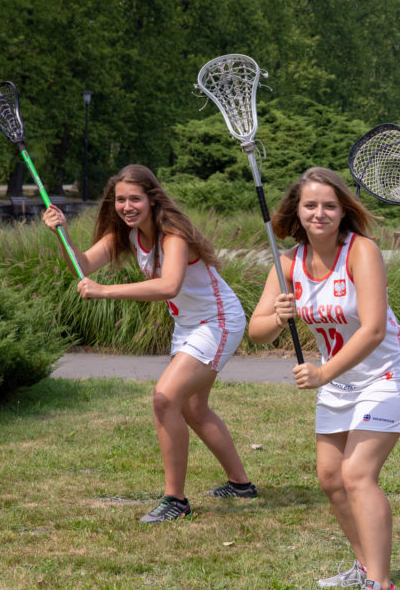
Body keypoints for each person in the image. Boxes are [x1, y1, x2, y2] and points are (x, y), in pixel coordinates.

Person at [41, 164, 256, 523]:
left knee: (164, 398)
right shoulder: (125, 234)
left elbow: (169, 285)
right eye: (121, 199)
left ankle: (176, 500)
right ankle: (241, 485)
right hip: (188, 324)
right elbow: (82, 266)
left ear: (152, 199)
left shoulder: (173, 234)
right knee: (193, 408)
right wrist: (61, 233)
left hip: (218, 322)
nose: (127, 206)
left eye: (134, 199)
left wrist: (105, 292)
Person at [248, 167, 400, 590]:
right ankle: (364, 565)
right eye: (310, 205)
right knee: (330, 477)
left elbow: (376, 329)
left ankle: (381, 587)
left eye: (329, 205)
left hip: (383, 372)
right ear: (296, 212)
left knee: (357, 473)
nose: (319, 213)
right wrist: (279, 316)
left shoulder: (362, 252)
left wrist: (323, 373)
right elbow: (257, 330)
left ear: (344, 211)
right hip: (338, 378)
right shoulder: (286, 263)